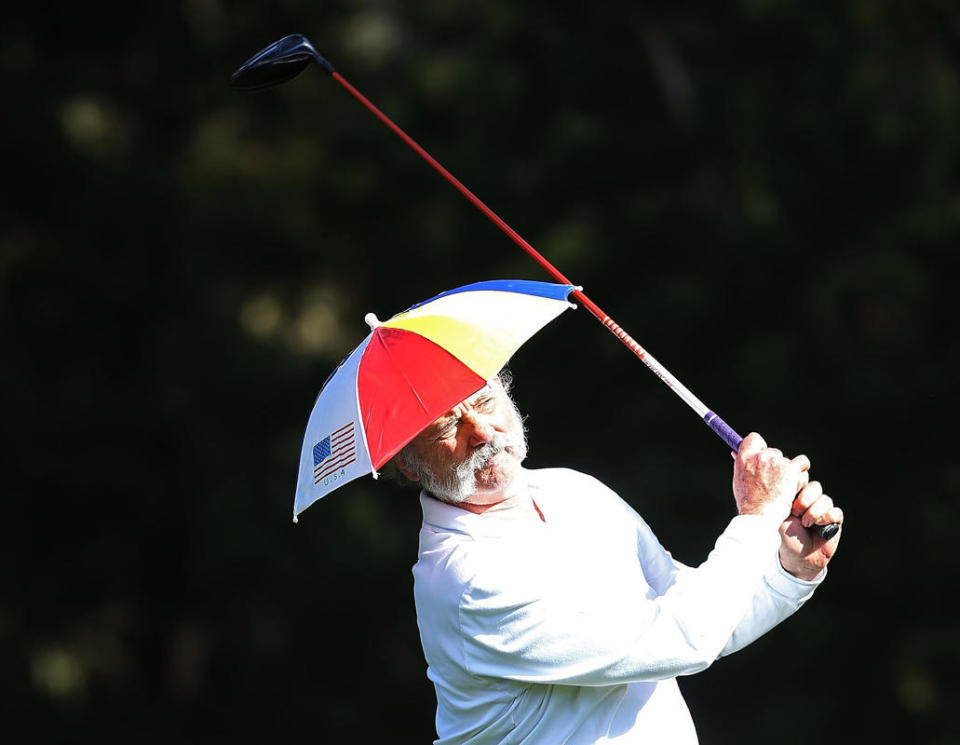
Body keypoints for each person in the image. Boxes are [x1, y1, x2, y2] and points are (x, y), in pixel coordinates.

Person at [390, 371, 843, 745]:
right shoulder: (464, 579)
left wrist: (791, 571)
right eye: (448, 427)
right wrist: (759, 516)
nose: (482, 433)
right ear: (410, 465)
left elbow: (702, 612)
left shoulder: (572, 489)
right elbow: (687, 637)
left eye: (485, 402)